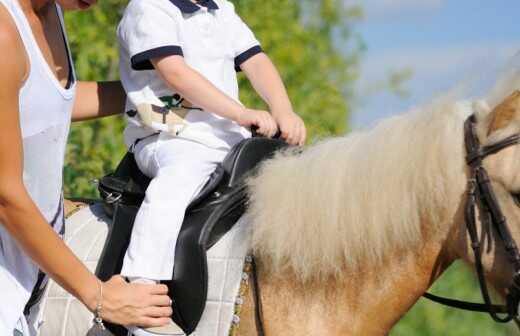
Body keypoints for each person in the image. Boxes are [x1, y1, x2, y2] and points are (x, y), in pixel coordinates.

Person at [117, 0, 306, 334]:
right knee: (178, 180)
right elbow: (174, 71)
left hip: (223, 136)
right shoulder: (149, 7)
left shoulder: (220, 10)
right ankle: (142, 285)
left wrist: (283, 109)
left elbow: (256, 61)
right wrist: (240, 112)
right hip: (165, 130)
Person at [0, 0, 174, 334]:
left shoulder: (51, 12)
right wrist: (100, 296)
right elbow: (6, 195)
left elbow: (44, 104)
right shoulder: (4, 31)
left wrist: (166, 110)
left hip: (23, 285)